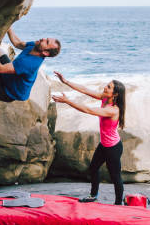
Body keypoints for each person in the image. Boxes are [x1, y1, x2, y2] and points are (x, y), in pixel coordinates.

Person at [52, 72, 126, 205]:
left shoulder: (113, 110)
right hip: (104, 145)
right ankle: (93, 195)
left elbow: (88, 110)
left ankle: (118, 203)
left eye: (108, 87)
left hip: (113, 148)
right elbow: (85, 90)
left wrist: (67, 101)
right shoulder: (104, 98)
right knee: (93, 168)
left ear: (115, 94)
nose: (105, 87)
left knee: (115, 176)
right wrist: (66, 81)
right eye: (107, 85)